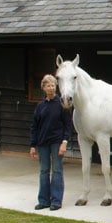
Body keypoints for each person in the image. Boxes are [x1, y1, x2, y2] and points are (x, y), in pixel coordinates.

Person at [29, 74, 73, 211]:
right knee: (43, 171)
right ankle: (43, 200)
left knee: (57, 170)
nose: (51, 88)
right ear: (43, 87)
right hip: (42, 143)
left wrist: (64, 142)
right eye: (48, 85)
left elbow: (68, 125)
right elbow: (34, 126)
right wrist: (32, 145)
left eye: (53, 85)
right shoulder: (40, 106)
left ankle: (56, 201)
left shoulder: (61, 104)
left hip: (57, 142)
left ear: (56, 87)